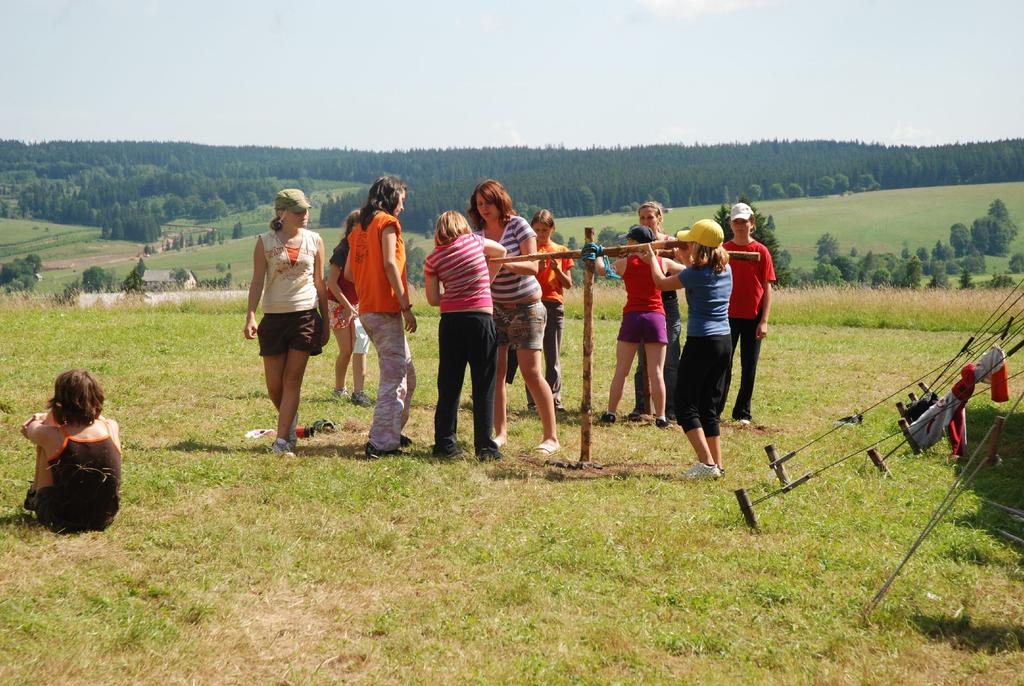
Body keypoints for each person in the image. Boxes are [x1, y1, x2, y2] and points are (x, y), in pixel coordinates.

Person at [469, 179, 559, 456]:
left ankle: (551, 437)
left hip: (527, 307)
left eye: (488, 202)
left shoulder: (519, 225)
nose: (484, 208)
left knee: (531, 372)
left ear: (500, 200)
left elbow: (533, 266)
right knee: (496, 374)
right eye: (479, 204)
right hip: (495, 309)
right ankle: (501, 433)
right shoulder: (478, 232)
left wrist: (501, 261)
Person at [244, 188, 329, 457]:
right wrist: (250, 314)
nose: (305, 215)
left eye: (306, 210)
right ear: (282, 213)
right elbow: (258, 281)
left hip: (305, 315)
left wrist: (326, 321)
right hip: (273, 318)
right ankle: (289, 427)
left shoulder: (315, 240)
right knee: (274, 386)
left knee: (293, 380)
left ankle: (281, 442)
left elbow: (320, 283)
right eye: (298, 210)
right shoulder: (264, 242)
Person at [646, 219, 733, 479]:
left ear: (698, 246)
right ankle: (717, 465)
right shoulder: (726, 269)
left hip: (701, 342)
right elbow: (692, 268)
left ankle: (706, 464)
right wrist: (683, 254)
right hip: (723, 341)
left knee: (685, 405)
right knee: (708, 405)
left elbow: (661, 283)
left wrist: (652, 257)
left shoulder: (696, 273)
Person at [424, 210, 507, 459]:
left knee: (449, 385)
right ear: (462, 226)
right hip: (481, 319)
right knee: (484, 385)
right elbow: (501, 253)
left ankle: (445, 445)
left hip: (451, 323)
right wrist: (485, 281)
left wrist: (451, 294)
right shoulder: (475, 242)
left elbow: (432, 299)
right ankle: (484, 446)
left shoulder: (434, 259)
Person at [345, 176, 417, 458]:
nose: (403, 207)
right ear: (392, 197)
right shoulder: (386, 223)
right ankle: (381, 443)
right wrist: (405, 305)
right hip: (385, 310)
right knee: (394, 379)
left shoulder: (359, 227)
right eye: (402, 200)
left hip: (367, 310)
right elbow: (389, 263)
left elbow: (350, 273)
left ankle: (391, 431)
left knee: (407, 375)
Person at [595, 225, 685, 428]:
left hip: (632, 317)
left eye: (629, 240)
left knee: (621, 370)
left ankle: (611, 412)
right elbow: (688, 272)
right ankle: (661, 417)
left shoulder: (625, 262)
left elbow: (602, 271)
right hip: (655, 317)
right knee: (657, 371)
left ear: (634, 243)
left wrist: (599, 254)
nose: (626, 243)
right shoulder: (662, 262)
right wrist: (682, 255)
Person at [20, 370, 121, 532]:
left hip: (60, 518)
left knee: (44, 444)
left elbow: (27, 429)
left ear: (59, 401)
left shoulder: (54, 435)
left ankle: (34, 496)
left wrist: (44, 417)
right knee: (48, 440)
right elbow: (99, 419)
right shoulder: (111, 427)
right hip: (104, 517)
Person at [721, 202, 776, 425]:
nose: (741, 225)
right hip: (727, 315)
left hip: (753, 316)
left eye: (745, 221)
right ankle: (715, 408)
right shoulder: (723, 250)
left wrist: (764, 320)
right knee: (723, 364)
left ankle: (742, 412)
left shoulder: (761, 251)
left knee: (749, 365)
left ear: (752, 223)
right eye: (737, 221)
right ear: (731, 224)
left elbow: (767, 286)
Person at [629, 201, 682, 422]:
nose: (646, 221)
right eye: (642, 218)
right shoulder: (636, 243)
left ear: (659, 218)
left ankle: (670, 408)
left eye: (650, 217)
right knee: (643, 360)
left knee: (669, 359)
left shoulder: (670, 243)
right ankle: (642, 406)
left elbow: (682, 266)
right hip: (643, 305)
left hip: (667, 303)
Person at [525, 209, 573, 411]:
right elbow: (525, 279)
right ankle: (534, 401)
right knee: (531, 354)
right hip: (532, 303)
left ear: (552, 229)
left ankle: (554, 399)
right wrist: (539, 268)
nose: (541, 234)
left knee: (552, 356)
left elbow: (568, 283)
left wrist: (556, 269)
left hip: (554, 304)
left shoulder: (561, 250)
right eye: (537, 230)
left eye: (545, 230)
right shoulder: (529, 249)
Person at [327, 209, 373, 407]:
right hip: (338, 303)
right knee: (346, 350)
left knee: (360, 346)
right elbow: (332, 283)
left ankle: (359, 392)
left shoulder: (366, 249)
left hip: (356, 303)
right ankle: (339, 389)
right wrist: (347, 306)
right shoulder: (342, 250)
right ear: (351, 227)